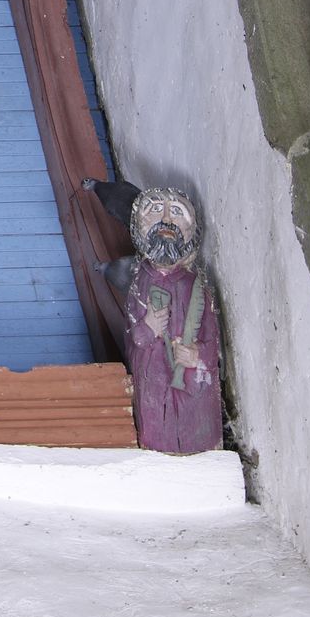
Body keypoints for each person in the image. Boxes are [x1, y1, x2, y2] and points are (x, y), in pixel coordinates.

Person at [97, 182, 224, 453]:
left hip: (193, 395)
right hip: (154, 388)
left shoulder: (194, 285)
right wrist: (148, 327)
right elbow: (133, 338)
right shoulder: (139, 283)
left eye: (176, 213)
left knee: (199, 441)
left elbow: (212, 338)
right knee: (157, 436)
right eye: (156, 211)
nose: (166, 220)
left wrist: (197, 355)